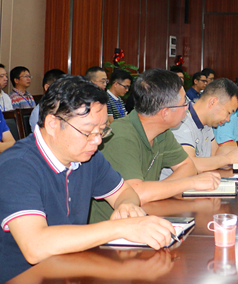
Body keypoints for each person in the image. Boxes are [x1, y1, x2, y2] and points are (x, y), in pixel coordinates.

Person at [0, 76, 175, 284]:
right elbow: (35, 246)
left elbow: (125, 192)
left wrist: (126, 205)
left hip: (67, 274)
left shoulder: (87, 156)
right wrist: (122, 227)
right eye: (88, 132)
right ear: (52, 124)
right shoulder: (17, 165)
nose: (97, 140)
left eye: (102, 130)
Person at [89, 69, 221, 224]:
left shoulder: (162, 131)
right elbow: (136, 193)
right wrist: (190, 183)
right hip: (111, 229)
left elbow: (188, 166)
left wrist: (155, 191)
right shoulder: (120, 136)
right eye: (184, 103)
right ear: (165, 113)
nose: (188, 107)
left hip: (146, 218)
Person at [160, 78, 238, 179]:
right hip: (176, 187)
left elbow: (215, 152)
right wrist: (227, 159)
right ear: (213, 102)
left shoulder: (207, 122)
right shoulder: (181, 122)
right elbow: (190, 164)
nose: (228, 119)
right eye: (228, 113)